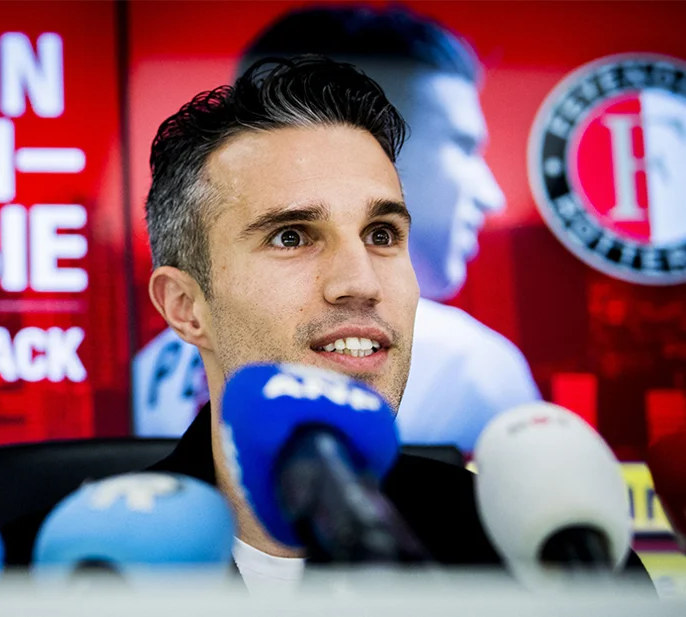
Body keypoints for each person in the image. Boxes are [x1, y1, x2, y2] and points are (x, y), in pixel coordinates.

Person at [4, 56, 650, 594]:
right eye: (292, 236)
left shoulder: (551, 562)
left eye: (382, 233)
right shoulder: (37, 577)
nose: (360, 281)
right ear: (185, 306)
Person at [134, 6, 540, 452]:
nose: (491, 196)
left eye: (381, 234)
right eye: (291, 237)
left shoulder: (151, 367)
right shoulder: (468, 369)